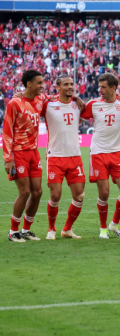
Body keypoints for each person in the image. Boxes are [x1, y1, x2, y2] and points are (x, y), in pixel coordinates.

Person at [81, 73, 120, 239]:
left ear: (113, 88)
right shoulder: (93, 104)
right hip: (98, 153)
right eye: (99, 86)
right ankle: (103, 227)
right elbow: (77, 116)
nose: (100, 90)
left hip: (118, 153)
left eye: (103, 87)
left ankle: (114, 224)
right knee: (104, 193)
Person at [42, 75, 86, 239]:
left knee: (79, 196)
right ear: (58, 87)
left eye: (71, 84)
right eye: (65, 84)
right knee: (55, 195)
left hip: (75, 157)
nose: (70, 87)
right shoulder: (48, 105)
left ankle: (67, 229)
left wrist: (77, 97)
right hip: (55, 157)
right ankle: (51, 229)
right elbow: (35, 100)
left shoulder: (78, 105)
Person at [4, 70, 44, 242]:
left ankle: (26, 230)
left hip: (34, 152)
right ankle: (13, 231)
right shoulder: (15, 103)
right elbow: (7, 131)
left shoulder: (41, 99)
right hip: (19, 153)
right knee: (25, 191)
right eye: (39, 83)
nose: (42, 86)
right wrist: (8, 159)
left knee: (37, 192)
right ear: (29, 84)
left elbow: (59, 96)